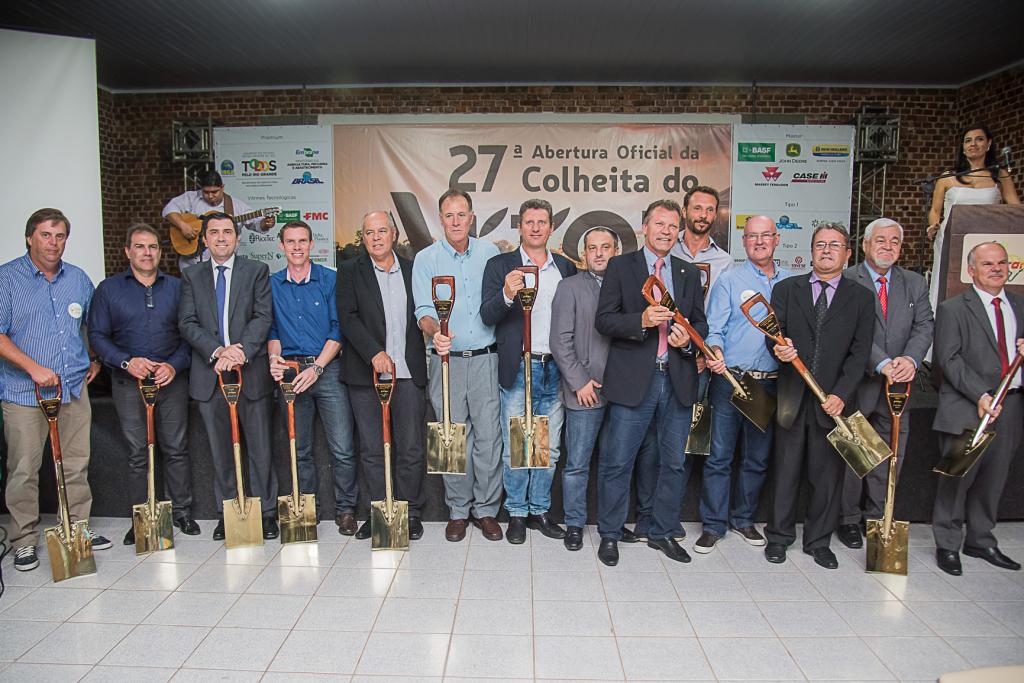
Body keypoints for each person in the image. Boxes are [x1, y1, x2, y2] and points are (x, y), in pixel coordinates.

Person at [595, 199, 706, 566]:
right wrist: (640, 320)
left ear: (680, 231)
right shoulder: (621, 267)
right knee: (618, 462)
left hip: (676, 380)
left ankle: (661, 531)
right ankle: (610, 534)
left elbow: (700, 325)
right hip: (633, 380)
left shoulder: (689, 274)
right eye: (659, 224)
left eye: (673, 226)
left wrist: (688, 340)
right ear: (645, 227)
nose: (666, 231)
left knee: (673, 463)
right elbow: (605, 320)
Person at [1, 208, 111, 572]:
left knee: (76, 465)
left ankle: (77, 527)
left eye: (60, 235)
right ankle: (23, 540)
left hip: (73, 391)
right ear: (30, 237)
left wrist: (94, 360)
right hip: (23, 393)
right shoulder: (7, 279)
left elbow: (91, 327)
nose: (54, 243)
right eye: (46, 235)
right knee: (24, 468)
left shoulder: (78, 279)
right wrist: (33, 368)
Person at [764, 224, 874, 569]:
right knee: (785, 471)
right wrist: (778, 349)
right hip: (792, 397)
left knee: (826, 477)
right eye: (820, 245)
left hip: (834, 402)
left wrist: (842, 393)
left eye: (834, 245)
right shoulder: (786, 289)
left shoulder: (861, 298)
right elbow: (773, 334)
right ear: (811, 251)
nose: (826, 250)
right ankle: (779, 538)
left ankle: (818, 541)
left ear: (847, 253)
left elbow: (860, 354)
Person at [88, 223, 199, 545]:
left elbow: (190, 333)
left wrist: (174, 366)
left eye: (152, 247)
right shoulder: (108, 290)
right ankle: (142, 515)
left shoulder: (178, 288)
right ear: (127, 252)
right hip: (127, 382)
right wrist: (126, 362)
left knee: (176, 448)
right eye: (139, 246)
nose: (147, 253)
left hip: (171, 381)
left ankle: (182, 512)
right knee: (138, 452)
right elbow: (97, 335)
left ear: (160, 252)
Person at [481, 199, 577, 544]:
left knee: (548, 449)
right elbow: (487, 315)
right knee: (518, 445)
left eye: (542, 222)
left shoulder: (565, 268)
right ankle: (517, 513)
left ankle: (539, 510)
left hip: (555, 368)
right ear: (519, 227)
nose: (536, 228)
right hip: (518, 366)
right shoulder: (500, 266)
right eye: (529, 222)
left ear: (551, 228)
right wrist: (507, 293)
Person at [178, 212, 279, 541]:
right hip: (210, 377)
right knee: (221, 451)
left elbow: (263, 316)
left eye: (227, 232)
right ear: (204, 239)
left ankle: (265, 513)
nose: (221, 238)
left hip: (250, 374)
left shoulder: (256, 271)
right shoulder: (191, 276)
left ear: (237, 238)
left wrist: (240, 352)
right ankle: (230, 513)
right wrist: (219, 352)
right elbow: (187, 322)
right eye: (214, 233)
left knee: (261, 449)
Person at [412, 189, 503, 542]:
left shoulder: (489, 253)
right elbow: (423, 311)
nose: (455, 221)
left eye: (461, 214)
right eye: (448, 215)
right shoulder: (426, 258)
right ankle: (458, 511)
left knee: (489, 439)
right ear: (440, 218)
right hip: (445, 361)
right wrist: (435, 332)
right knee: (449, 437)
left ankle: (486, 510)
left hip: (485, 359)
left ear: (471, 217)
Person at [837, 218, 933, 549]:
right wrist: (882, 363)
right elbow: (852, 331)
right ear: (864, 245)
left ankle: (877, 517)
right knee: (856, 454)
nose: (887, 246)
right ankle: (848, 519)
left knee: (892, 455)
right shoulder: (848, 279)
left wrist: (909, 361)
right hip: (860, 382)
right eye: (880, 240)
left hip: (899, 387)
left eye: (894, 241)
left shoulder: (915, 284)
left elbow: (925, 326)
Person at [697, 215, 789, 553]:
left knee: (757, 458)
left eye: (765, 236)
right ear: (744, 240)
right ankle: (713, 525)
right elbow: (715, 328)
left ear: (777, 239)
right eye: (752, 236)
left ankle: (744, 519)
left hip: (769, 384)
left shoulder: (792, 283)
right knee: (719, 457)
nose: (759, 241)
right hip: (731, 379)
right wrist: (714, 352)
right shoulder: (730, 280)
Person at [551, 226, 646, 551]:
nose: (600, 253)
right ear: (583, 254)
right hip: (586, 390)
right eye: (593, 248)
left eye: (606, 247)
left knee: (615, 463)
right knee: (577, 462)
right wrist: (578, 382)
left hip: (622, 390)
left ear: (616, 251)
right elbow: (560, 341)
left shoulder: (631, 286)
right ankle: (575, 524)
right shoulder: (570, 287)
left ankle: (613, 525)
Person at [932, 241, 1023, 576]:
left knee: (995, 477)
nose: (996, 269)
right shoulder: (954, 308)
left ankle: (981, 539)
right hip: (969, 406)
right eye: (987, 264)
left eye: (1001, 263)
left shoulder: (1018, 305)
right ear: (972, 270)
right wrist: (980, 394)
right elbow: (949, 359)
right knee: (957, 479)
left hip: (1010, 405)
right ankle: (948, 543)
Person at [337, 211, 427, 541]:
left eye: (382, 231)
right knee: (373, 449)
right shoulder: (349, 272)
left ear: (394, 234)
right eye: (369, 232)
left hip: (407, 373)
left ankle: (410, 511)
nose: (376, 237)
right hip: (366, 375)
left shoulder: (412, 269)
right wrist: (373, 351)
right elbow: (347, 318)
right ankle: (379, 513)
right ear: (362, 238)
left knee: (411, 448)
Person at [267, 220, 358, 535]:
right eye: (290, 241)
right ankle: (307, 510)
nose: (296, 247)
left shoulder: (330, 279)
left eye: (302, 241)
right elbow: (273, 330)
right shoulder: (272, 284)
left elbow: (339, 328)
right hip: (291, 373)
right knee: (298, 447)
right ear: (281, 246)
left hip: (327, 369)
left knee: (343, 447)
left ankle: (346, 510)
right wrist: (274, 360)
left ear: (311, 244)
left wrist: (317, 367)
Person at [926, 125, 1020, 313]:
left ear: (988, 144)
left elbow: (1015, 208)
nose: (973, 144)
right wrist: (933, 225)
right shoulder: (948, 177)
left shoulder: (999, 175)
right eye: (968, 141)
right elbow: (935, 210)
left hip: (987, 240)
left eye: (979, 139)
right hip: (952, 239)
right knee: (948, 283)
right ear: (962, 147)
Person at [163, 170, 276, 270]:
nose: (210, 196)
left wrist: (265, 223)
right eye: (206, 192)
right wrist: (183, 226)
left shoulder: (234, 205)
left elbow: (255, 223)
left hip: (225, 268)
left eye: (215, 192)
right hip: (192, 266)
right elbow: (169, 210)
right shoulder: (191, 198)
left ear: (222, 187)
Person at [670, 185, 734, 297]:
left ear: (715, 216)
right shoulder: (667, 250)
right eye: (697, 208)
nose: (703, 215)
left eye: (710, 210)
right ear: (684, 212)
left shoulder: (725, 262)